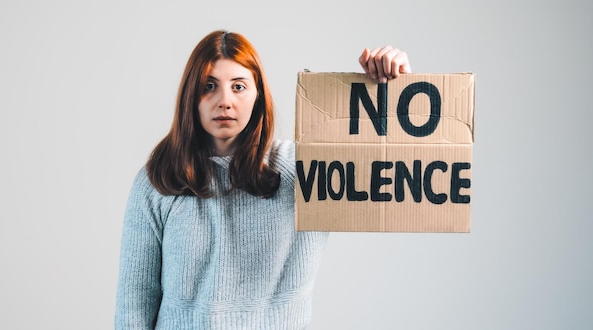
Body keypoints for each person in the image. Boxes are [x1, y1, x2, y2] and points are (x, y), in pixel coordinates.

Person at [115, 30, 411, 329]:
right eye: (209, 86)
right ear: (191, 96)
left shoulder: (305, 169)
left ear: (258, 95)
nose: (225, 101)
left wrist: (394, 84)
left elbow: (396, 178)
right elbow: (133, 308)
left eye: (239, 86)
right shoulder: (158, 178)